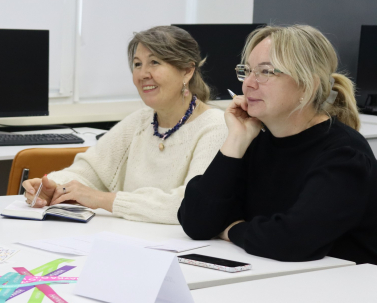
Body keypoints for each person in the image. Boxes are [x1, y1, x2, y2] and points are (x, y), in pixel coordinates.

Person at [178, 25, 377, 265]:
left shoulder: (345, 154)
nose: (248, 84)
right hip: (274, 275)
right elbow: (196, 222)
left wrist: (232, 230)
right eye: (246, 71)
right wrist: (236, 140)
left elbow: (292, 240)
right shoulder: (257, 141)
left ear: (308, 84)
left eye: (265, 72)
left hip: (341, 282)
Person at [24, 26, 228, 224]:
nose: (143, 74)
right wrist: (52, 186)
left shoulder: (216, 126)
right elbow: (89, 172)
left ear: (187, 71)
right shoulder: (140, 121)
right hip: (126, 237)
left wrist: (102, 199)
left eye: (154, 62)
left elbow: (191, 205)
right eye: (138, 64)